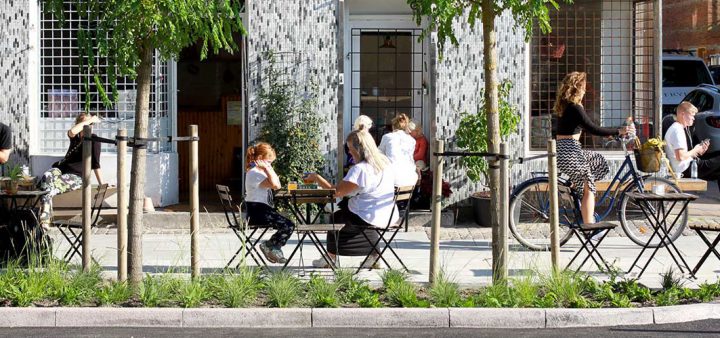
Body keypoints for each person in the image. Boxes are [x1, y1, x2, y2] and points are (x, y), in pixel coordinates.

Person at [304, 126, 398, 269]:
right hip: (387, 215)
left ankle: (330, 258)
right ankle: (374, 256)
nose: (349, 152)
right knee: (350, 214)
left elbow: (337, 192)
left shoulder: (360, 169)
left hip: (367, 215)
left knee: (336, 217)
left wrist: (317, 178)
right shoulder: (385, 163)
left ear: (358, 148)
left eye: (349, 148)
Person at [554, 72, 634, 225]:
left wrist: (611, 135)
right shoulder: (575, 107)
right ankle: (589, 226)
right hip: (570, 152)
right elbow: (593, 128)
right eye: (583, 88)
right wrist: (618, 131)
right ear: (577, 88)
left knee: (599, 162)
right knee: (590, 188)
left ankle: (578, 189)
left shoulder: (565, 107)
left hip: (567, 150)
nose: (585, 91)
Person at [39, 113, 104, 227]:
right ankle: (46, 213)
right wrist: (88, 121)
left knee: (50, 187)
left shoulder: (95, 140)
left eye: (91, 123)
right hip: (61, 169)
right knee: (46, 176)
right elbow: (73, 131)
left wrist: (102, 184)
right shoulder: (75, 139)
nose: (88, 126)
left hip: (77, 176)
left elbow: (96, 164)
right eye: (84, 123)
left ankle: (45, 214)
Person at [245, 142, 295, 264]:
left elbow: (276, 183)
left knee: (288, 224)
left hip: (261, 210)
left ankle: (272, 246)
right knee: (288, 225)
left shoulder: (259, 172)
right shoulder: (255, 174)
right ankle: (271, 246)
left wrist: (268, 168)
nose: (270, 165)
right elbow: (276, 185)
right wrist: (267, 168)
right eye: (269, 162)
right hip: (257, 212)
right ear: (260, 159)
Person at [664, 101, 720, 190]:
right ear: (683, 114)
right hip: (685, 169)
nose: (694, 119)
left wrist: (698, 151)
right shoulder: (677, 130)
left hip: (687, 166)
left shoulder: (677, 128)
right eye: (692, 115)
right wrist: (695, 150)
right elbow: (680, 156)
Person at [378, 113, 418, 186]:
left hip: (393, 180)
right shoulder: (412, 140)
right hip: (411, 179)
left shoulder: (387, 137)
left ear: (393, 126)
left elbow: (378, 155)